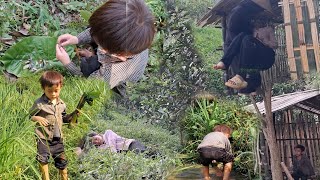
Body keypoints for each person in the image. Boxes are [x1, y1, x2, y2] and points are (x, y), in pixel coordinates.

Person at [55, 0, 156, 97]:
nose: (93, 34)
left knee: (88, 68)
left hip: (113, 80)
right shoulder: (127, 41)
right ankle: (95, 55)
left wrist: (67, 63)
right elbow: (96, 32)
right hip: (114, 54)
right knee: (99, 30)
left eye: (100, 44)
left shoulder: (112, 73)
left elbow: (90, 85)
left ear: (117, 54)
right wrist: (76, 39)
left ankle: (96, 61)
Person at [29, 71, 76, 180]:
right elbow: (29, 116)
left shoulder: (62, 104)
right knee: (43, 159)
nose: (53, 94)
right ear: (43, 88)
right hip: (43, 137)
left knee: (62, 161)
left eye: (56, 91)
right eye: (49, 91)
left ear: (61, 87)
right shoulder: (39, 104)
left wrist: (73, 116)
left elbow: (64, 118)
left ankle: (64, 177)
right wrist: (37, 118)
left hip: (57, 138)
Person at [214, 23, 277, 93]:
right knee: (243, 35)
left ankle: (240, 76)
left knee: (247, 38)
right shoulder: (252, 31)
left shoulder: (268, 29)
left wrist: (263, 41)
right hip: (255, 58)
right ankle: (224, 62)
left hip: (267, 56)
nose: (257, 21)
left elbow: (275, 45)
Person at [75, 130, 146, 156]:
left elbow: (112, 149)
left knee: (142, 153)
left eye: (96, 139)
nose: (96, 141)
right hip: (126, 153)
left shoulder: (108, 133)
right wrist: (80, 149)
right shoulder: (100, 148)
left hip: (131, 145)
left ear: (99, 134)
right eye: (95, 143)